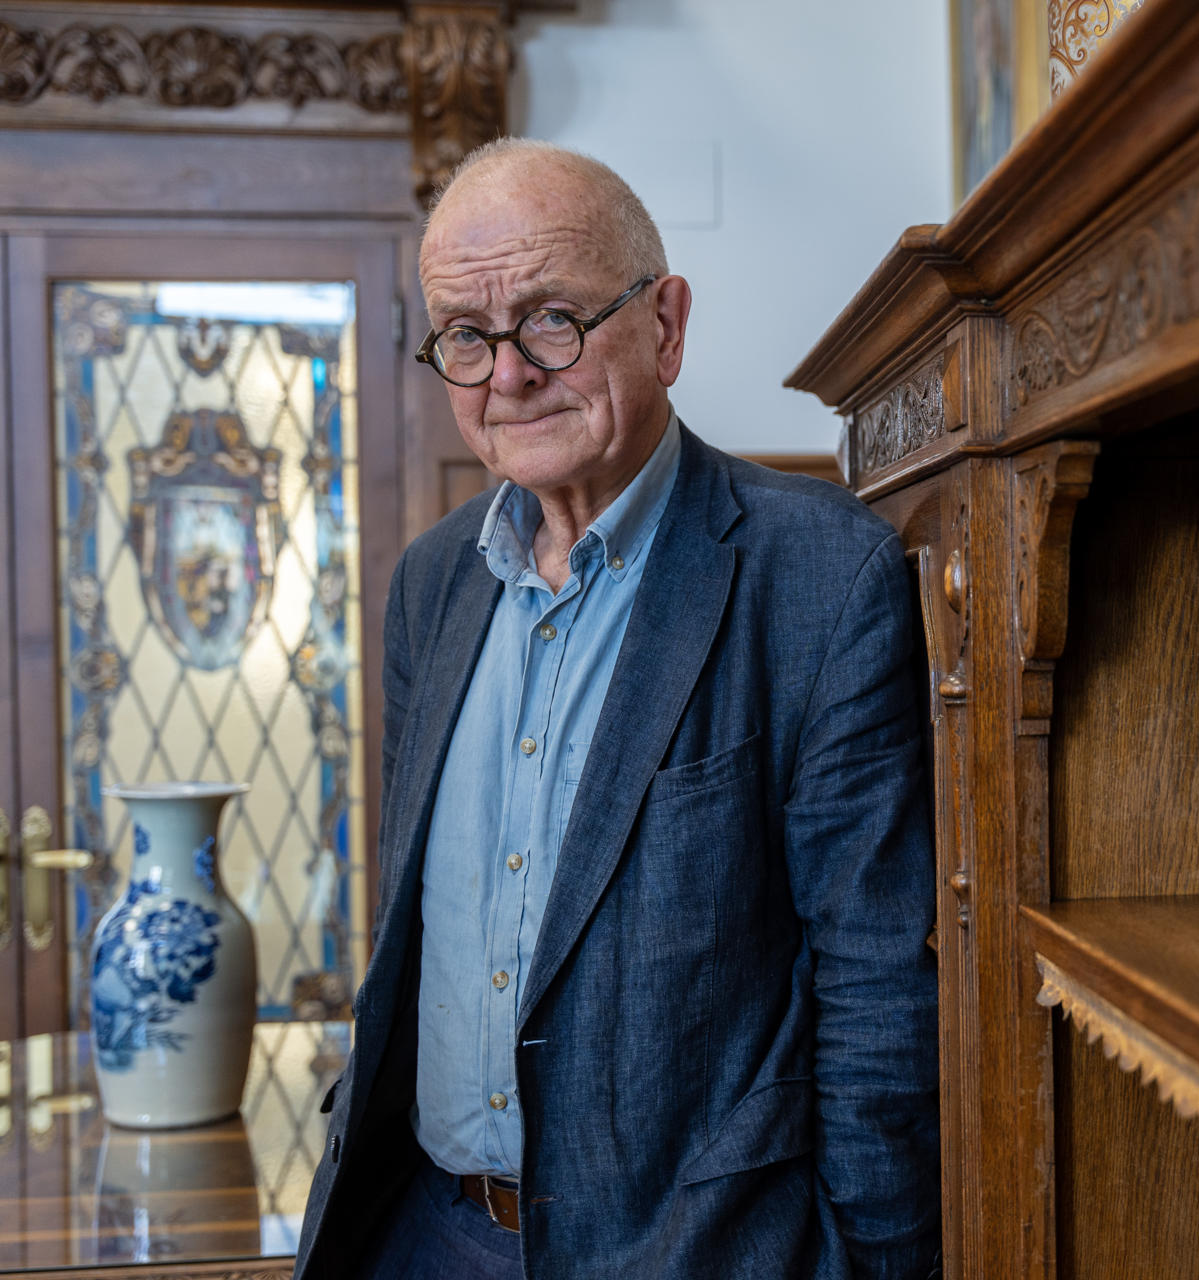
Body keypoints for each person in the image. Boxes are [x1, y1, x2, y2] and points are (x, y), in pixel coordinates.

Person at [291, 139, 939, 1280]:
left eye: (552, 319)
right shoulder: (430, 584)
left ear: (667, 326)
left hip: (689, 1251)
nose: (508, 375)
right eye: (465, 335)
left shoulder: (822, 576)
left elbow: (877, 994)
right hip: (427, 1232)